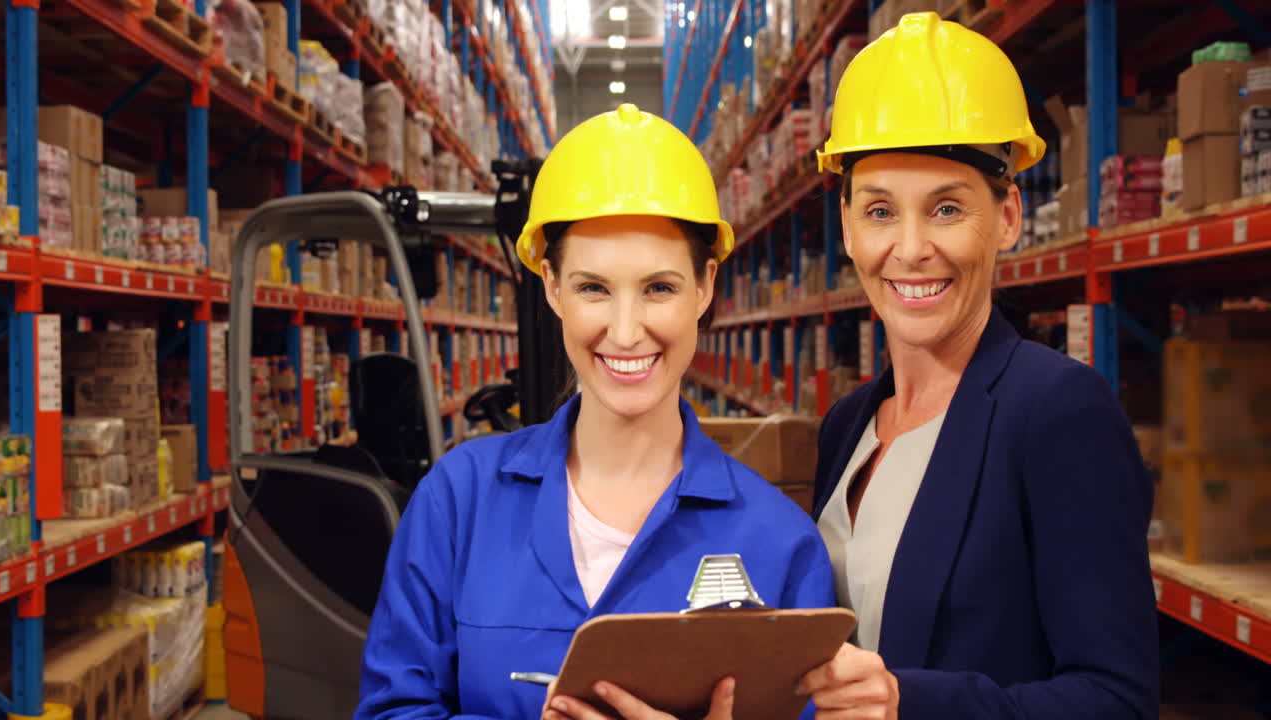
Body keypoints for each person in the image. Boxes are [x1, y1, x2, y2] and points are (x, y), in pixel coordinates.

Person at [354, 103, 836, 720]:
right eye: (593, 288)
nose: (626, 332)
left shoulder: (781, 543)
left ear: (705, 286)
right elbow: (392, 709)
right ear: (552, 286)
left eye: (659, 288)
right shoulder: (458, 502)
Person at [795, 12, 1159, 720]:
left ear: (1008, 216)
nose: (909, 250)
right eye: (879, 211)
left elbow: (1118, 700)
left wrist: (909, 703)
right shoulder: (848, 426)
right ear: (847, 227)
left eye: (946, 209)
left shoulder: (1058, 412)